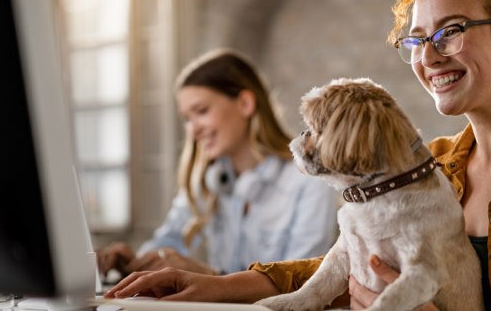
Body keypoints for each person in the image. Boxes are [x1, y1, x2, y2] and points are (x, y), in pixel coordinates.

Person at [104, 0, 491, 309]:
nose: (429, 55)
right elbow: (345, 260)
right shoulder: (427, 166)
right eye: (416, 40)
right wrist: (211, 288)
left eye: (451, 30)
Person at [96, 49, 337, 278]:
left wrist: (209, 278)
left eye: (201, 111)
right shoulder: (210, 179)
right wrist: (135, 262)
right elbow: (167, 243)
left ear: (245, 104)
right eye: (187, 119)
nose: (193, 130)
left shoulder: (310, 182)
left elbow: (302, 284)